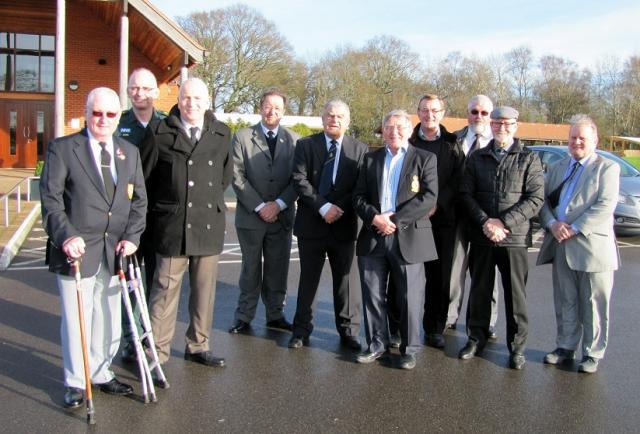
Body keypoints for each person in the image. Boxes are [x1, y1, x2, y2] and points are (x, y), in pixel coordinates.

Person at [40, 87, 147, 408]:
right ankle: (76, 381)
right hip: (77, 251)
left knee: (109, 318)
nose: (103, 119)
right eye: (96, 113)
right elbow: (51, 199)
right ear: (86, 113)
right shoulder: (64, 149)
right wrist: (65, 236)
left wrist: (132, 237)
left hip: (115, 251)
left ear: (118, 117)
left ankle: (101, 372)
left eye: (110, 114)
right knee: (77, 321)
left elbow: (139, 201)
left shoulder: (128, 152)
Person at [140, 77, 232, 368]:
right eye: (186, 98)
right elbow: (145, 179)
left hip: (207, 223)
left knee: (204, 292)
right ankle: (156, 353)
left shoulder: (221, 133)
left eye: (197, 99)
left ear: (207, 102)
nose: (191, 103)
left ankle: (198, 345)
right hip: (172, 224)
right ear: (178, 100)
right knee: (164, 293)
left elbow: (224, 176)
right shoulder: (159, 132)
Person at [457, 106, 544, 370]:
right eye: (497, 123)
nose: (501, 128)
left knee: (516, 297)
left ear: (516, 125)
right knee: (480, 292)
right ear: (491, 126)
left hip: (514, 238)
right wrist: (485, 222)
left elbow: (535, 199)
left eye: (507, 123)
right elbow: (465, 195)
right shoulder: (477, 158)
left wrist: (503, 222)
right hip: (483, 237)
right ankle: (476, 338)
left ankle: (517, 348)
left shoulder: (529, 159)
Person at [353, 109, 438, 370]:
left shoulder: (425, 158)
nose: (394, 132)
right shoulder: (370, 159)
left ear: (410, 130)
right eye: (389, 127)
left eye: (400, 127)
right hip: (374, 235)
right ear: (383, 130)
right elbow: (358, 197)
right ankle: (376, 344)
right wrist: (375, 218)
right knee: (373, 295)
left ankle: (410, 349)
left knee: (410, 296)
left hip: (409, 237)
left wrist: (395, 219)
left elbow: (429, 197)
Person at [537, 115, 619, 374]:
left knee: (594, 303)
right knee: (565, 300)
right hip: (560, 244)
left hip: (592, 247)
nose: (577, 142)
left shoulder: (606, 168)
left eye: (582, 138)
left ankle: (592, 353)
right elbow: (542, 203)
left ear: (595, 140)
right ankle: (565, 346)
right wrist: (552, 224)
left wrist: (574, 228)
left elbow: (605, 205)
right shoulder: (558, 167)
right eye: (573, 138)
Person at [288, 99, 368, 351]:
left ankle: (348, 331)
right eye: (330, 115)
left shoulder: (360, 149)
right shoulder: (305, 145)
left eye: (340, 116)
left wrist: (337, 208)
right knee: (308, 280)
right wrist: (322, 206)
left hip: (344, 226)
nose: (334, 119)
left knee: (346, 282)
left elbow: (360, 186)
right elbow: (299, 179)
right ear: (322, 118)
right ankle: (301, 330)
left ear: (348, 120)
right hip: (312, 223)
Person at [229, 89, 300, 334]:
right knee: (250, 268)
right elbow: (236, 177)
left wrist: (278, 204)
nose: (272, 111)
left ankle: (275, 314)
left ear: (284, 111)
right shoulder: (242, 137)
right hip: (251, 217)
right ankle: (244, 316)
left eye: (278, 108)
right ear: (260, 107)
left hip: (281, 217)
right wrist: (260, 206)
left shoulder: (294, 140)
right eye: (268, 106)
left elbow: (298, 179)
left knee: (277, 268)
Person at [117, 67, 166, 363]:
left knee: (156, 282)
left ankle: (152, 337)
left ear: (156, 92)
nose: (139, 93)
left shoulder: (167, 124)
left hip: (160, 216)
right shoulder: (118, 123)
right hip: (129, 217)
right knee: (130, 283)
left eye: (146, 88)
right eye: (134, 88)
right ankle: (130, 339)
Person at [408, 94, 463, 349]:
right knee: (406, 275)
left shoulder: (453, 144)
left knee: (439, 277)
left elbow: (458, 180)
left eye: (435, 110)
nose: (430, 115)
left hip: (442, 220)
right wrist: (416, 207)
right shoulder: (407, 140)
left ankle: (434, 328)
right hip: (410, 219)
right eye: (425, 110)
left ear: (442, 113)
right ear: (418, 113)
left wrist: (436, 205)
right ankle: (402, 326)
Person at [448, 95, 500, 338]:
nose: (478, 116)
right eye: (474, 111)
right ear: (467, 113)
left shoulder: (501, 143)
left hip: (487, 219)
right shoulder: (453, 140)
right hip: (458, 216)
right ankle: (449, 317)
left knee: (486, 274)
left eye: (484, 112)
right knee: (454, 270)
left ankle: (486, 322)